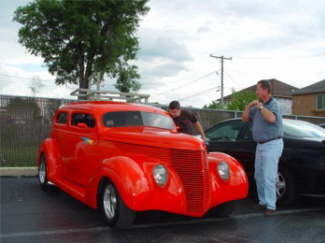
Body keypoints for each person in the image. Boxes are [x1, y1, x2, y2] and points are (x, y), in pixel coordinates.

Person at [242, 80, 284, 216]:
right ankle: (263, 202)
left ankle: (271, 205)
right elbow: (244, 119)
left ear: (265, 90)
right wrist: (249, 106)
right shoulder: (256, 107)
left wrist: (260, 107)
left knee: (268, 175)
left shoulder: (274, 104)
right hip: (260, 145)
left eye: (258, 89)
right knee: (258, 175)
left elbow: (271, 119)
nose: (256, 92)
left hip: (272, 144)